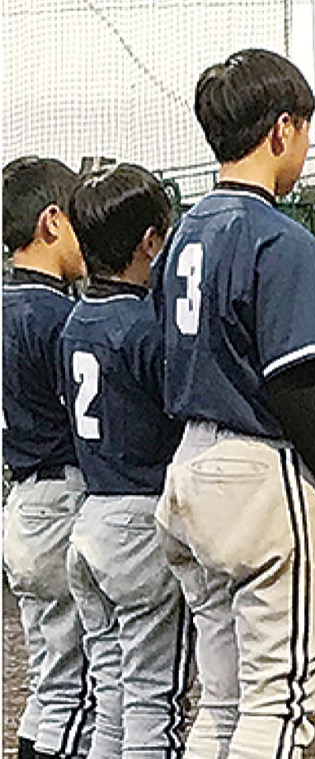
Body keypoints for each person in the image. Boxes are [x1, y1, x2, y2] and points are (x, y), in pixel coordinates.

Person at [154, 49, 315, 758]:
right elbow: (294, 386)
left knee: (222, 701)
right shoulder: (278, 236)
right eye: (304, 132)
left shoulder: (180, 236)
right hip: (258, 474)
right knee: (279, 700)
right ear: (280, 131)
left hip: (187, 472)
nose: (304, 149)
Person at [60, 164, 192, 758]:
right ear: (149, 241)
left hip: (89, 522)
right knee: (153, 702)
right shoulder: (143, 326)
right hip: (140, 522)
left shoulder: (74, 322)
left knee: (110, 688)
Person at [2, 156, 94, 759]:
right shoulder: (58, 315)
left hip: (20, 503)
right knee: (77, 689)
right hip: (61, 500)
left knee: (51, 681)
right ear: (51, 222)